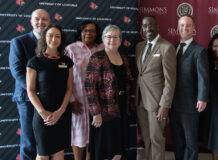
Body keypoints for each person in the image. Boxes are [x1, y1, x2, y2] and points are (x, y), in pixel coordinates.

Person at [26, 24, 73, 159]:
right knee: (43, 154)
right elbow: (31, 90)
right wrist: (43, 112)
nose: (54, 39)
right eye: (50, 35)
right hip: (43, 115)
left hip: (62, 113)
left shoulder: (67, 62)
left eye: (57, 36)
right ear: (44, 38)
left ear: (61, 39)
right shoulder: (35, 62)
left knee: (59, 153)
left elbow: (69, 88)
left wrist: (61, 111)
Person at [85, 24, 131, 160]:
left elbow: (128, 82)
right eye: (108, 37)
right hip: (104, 111)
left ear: (120, 40)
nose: (112, 40)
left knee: (118, 148)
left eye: (115, 37)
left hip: (122, 108)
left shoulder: (124, 57)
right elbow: (89, 86)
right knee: (103, 149)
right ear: (103, 39)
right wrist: (96, 113)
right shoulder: (97, 58)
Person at [9, 9, 50, 160]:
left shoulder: (52, 42)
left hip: (48, 99)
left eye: (44, 19)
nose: (41, 22)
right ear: (31, 22)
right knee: (28, 140)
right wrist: (36, 91)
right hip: (27, 99)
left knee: (45, 141)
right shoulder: (19, 42)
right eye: (37, 19)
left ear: (49, 22)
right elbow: (17, 72)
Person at [135, 15, 176, 160]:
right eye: (145, 26)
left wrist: (164, 105)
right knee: (146, 137)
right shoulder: (139, 46)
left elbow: (170, 80)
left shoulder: (167, 47)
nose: (148, 28)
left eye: (151, 25)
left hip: (157, 103)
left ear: (158, 27)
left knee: (156, 138)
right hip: (140, 101)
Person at [170, 15, 209, 160]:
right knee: (177, 140)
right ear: (178, 28)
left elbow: (203, 77)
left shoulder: (199, 51)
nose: (184, 28)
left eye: (188, 25)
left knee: (190, 142)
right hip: (173, 103)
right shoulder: (171, 48)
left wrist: (202, 98)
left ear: (194, 28)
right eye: (182, 25)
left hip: (191, 104)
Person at [65, 20, 104, 160]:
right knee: (79, 135)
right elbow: (64, 77)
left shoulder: (102, 49)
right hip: (78, 100)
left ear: (97, 34)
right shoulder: (70, 49)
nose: (88, 33)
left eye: (92, 31)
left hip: (97, 101)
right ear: (80, 32)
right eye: (85, 30)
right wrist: (71, 100)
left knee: (93, 135)